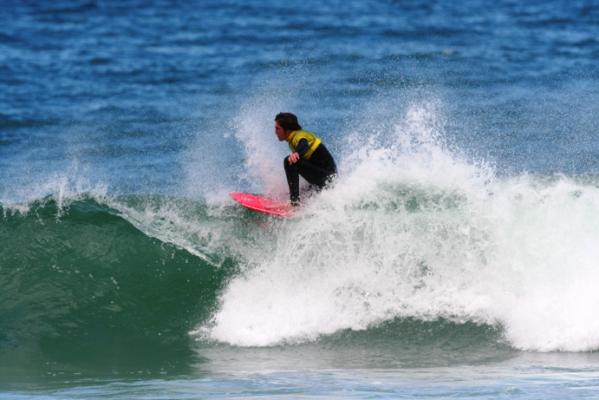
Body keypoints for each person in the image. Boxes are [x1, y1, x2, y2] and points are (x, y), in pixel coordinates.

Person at [274, 112, 337, 205]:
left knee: (289, 161)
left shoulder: (298, 136)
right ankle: (297, 199)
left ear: (287, 130)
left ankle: (294, 203)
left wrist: (297, 153)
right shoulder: (294, 138)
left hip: (327, 179)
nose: (275, 132)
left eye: (277, 128)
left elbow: (304, 145)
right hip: (326, 180)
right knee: (303, 192)